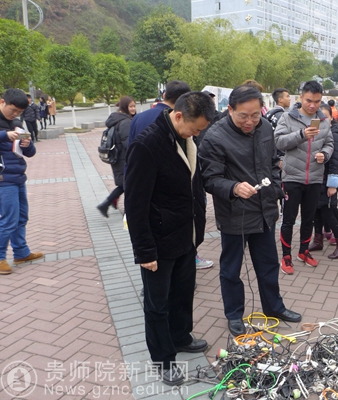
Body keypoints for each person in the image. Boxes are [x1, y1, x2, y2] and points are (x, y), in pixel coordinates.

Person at [124, 92, 214, 386]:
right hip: (159, 241)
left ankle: (180, 336)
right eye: (195, 128)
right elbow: (135, 204)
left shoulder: (187, 139)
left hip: (186, 236)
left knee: (183, 293)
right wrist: (145, 251)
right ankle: (163, 358)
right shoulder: (146, 145)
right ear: (178, 116)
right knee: (157, 304)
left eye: (200, 130)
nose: (197, 134)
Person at [199, 85, 302, 336]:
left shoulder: (265, 127)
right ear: (230, 109)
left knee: (268, 265)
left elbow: (273, 163)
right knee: (231, 269)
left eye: (255, 115)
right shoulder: (214, 137)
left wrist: (275, 188)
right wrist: (234, 187)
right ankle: (234, 314)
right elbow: (210, 179)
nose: (250, 121)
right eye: (243, 116)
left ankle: (274, 307)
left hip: (265, 210)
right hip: (235, 213)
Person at [275, 81, 334, 274]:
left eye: (317, 101)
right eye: (309, 100)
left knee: (309, 219)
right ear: (300, 97)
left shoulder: (323, 121)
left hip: (315, 178)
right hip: (292, 177)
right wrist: (302, 134)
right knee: (288, 220)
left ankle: (303, 251)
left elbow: (330, 144)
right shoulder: (287, 117)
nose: (312, 105)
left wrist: (324, 154)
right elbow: (279, 142)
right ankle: (286, 256)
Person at [0, 89, 44, 275]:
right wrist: (5, 135)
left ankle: (21, 252)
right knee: (8, 220)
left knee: (21, 217)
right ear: (2, 102)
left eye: (19, 112)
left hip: (18, 177)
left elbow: (30, 152)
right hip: (3, 179)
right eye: (13, 110)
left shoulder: (17, 124)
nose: (15, 114)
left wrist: (28, 144)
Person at [308, 104, 338, 259]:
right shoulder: (316, 132)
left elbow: (335, 161)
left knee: (327, 211)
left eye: (325, 116)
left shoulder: (334, 134)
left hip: (327, 179)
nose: (321, 119)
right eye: (318, 116)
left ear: (331, 117)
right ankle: (318, 240)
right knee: (316, 210)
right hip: (316, 178)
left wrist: (332, 184)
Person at [97, 96, 136, 217]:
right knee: (128, 185)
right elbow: (128, 143)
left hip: (119, 158)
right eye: (131, 106)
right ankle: (126, 212)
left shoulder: (119, 119)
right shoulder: (125, 122)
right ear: (125, 107)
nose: (133, 109)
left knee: (124, 184)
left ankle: (107, 204)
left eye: (134, 106)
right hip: (124, 159)